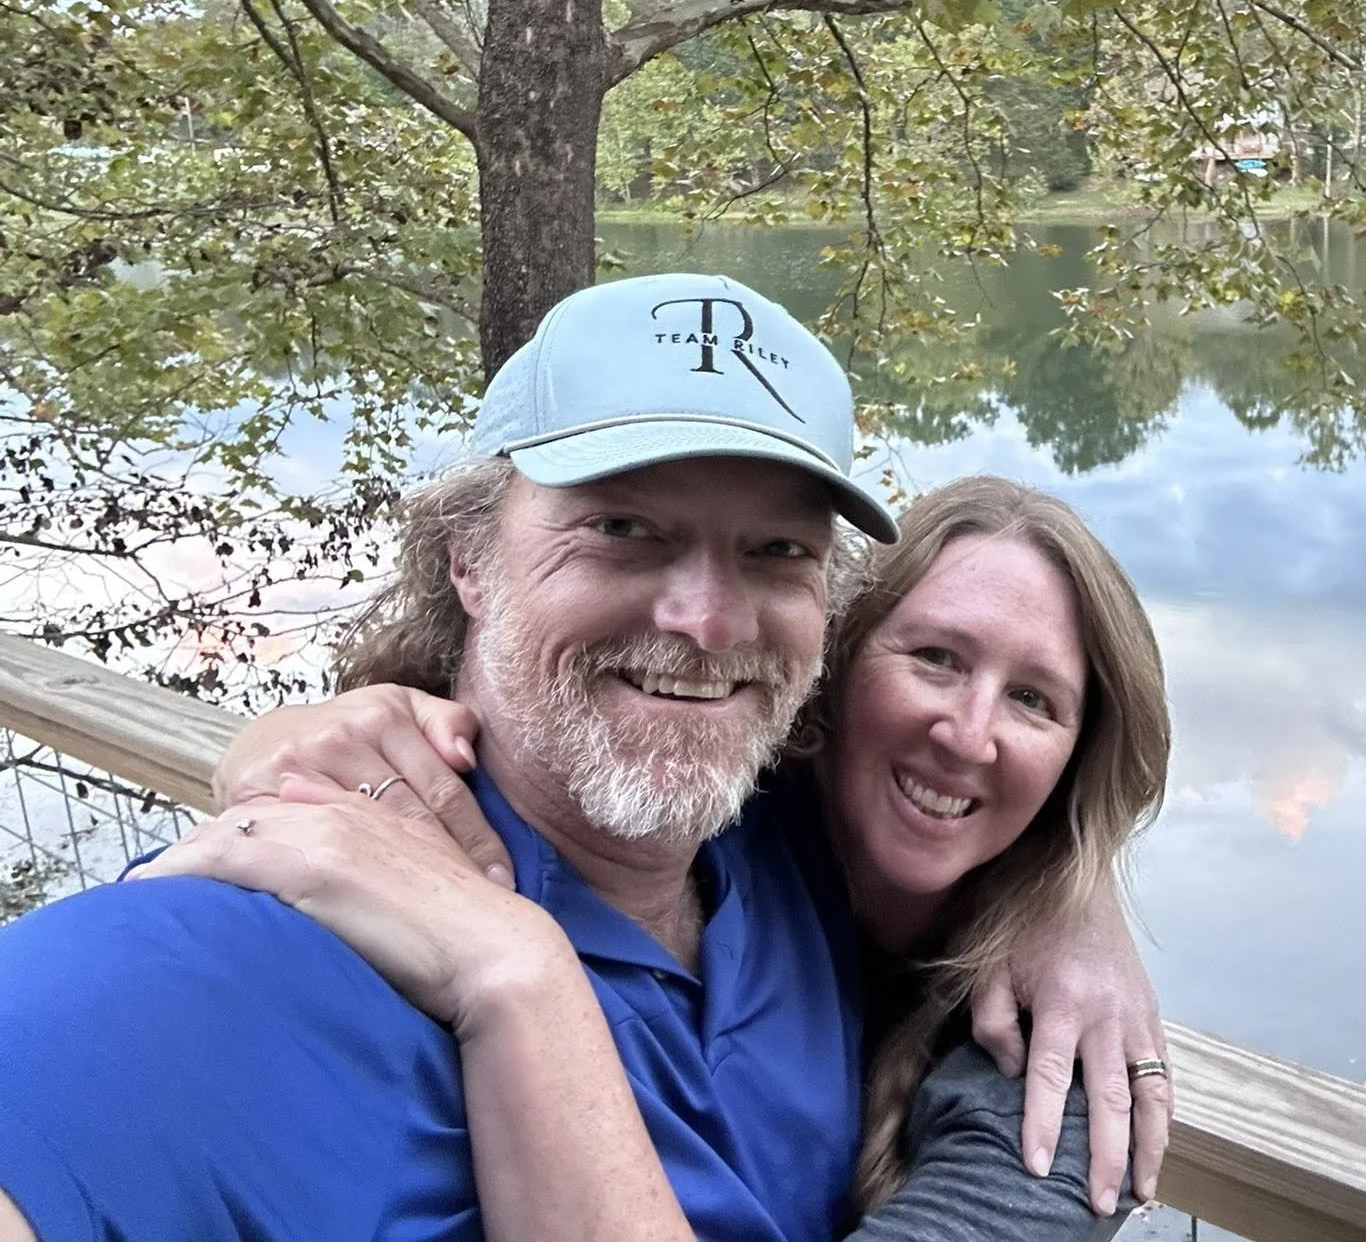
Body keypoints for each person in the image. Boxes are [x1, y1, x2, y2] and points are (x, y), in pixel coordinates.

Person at [0, 271, 1165, 1242]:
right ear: (468, 558)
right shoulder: (214, 956)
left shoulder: (774, 849)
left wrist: (1069, 888)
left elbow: (951, 788)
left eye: (773, 550)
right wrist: (513, 967)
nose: (707, 623)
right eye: (621, 528)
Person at [165, 473, 1173, 1239]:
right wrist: (280, 747)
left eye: (1036, 701)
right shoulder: (724, 815)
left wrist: (1075, 900)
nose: (967, 731)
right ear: (831, 664)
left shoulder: (1057, 1069)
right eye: (934, 658)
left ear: (1080, 757)